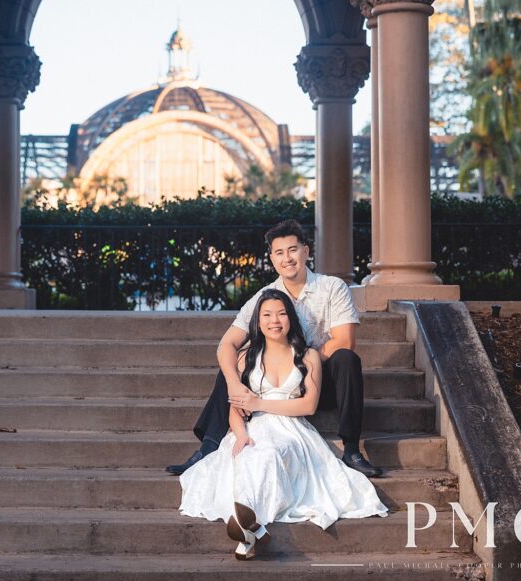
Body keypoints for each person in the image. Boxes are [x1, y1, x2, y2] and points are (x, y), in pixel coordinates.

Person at [177, 288, 389, 560]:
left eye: (281, 314)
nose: (274, 320)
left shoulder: (308, 356)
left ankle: (248, 531)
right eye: (266, 315)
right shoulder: (246, 357)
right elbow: (235, 409)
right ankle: (251, 527)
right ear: (258, 321)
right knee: (249, 455)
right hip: (253, 428)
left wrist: (259, 404)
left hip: (291, 427)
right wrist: (240, 433)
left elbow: (308, 406)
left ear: (290, 318)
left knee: (271, 454)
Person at [166, 219, 383, 478]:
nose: (287, 258)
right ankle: (209, 446)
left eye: (293, 250)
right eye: (279, 253)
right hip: (274, 381)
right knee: (231, 368)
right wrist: (235, 384)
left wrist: (301, 365)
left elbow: (344, 340)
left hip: (319, 380)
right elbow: (227, 343)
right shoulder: (265, 297)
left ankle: (351, 449)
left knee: (347, 358)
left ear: (306, 251)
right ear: (271, 258)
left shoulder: (331, 287)